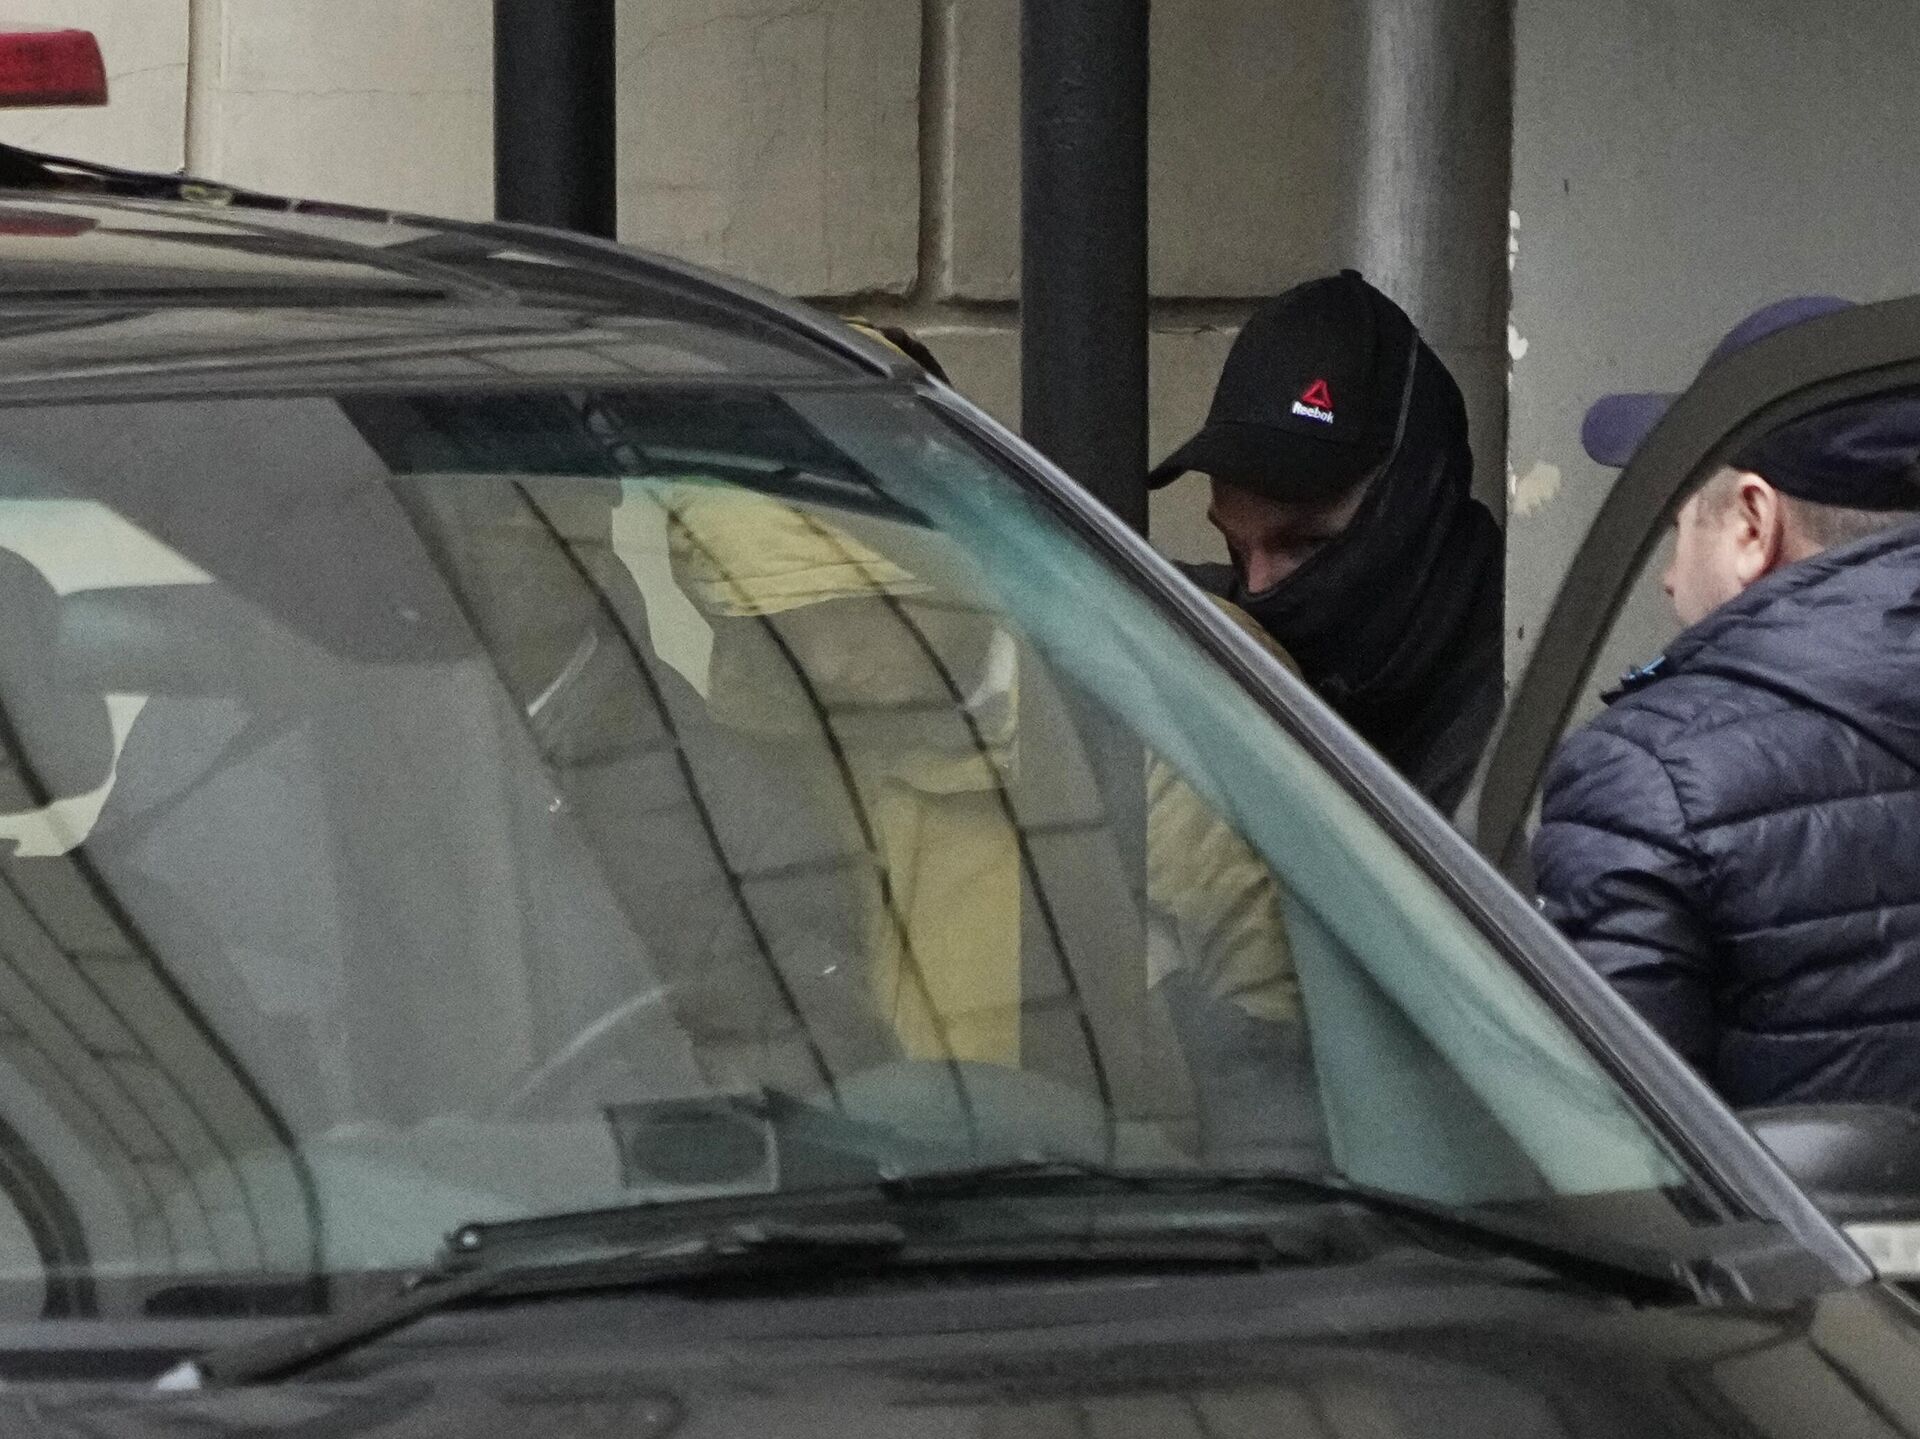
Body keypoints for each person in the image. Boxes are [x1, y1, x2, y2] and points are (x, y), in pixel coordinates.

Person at [1533, 296, 1920, 1110]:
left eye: (1681, 525)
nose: (1669, 578)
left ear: (1751, 522)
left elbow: (1606, 1142)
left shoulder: (1645, 782)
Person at [1150, 269, 1504, 813]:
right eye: (1237, 548)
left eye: (1306, 546)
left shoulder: (1523, 717)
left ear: (1414, 515)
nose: (1259, 587)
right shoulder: (1190, 633)